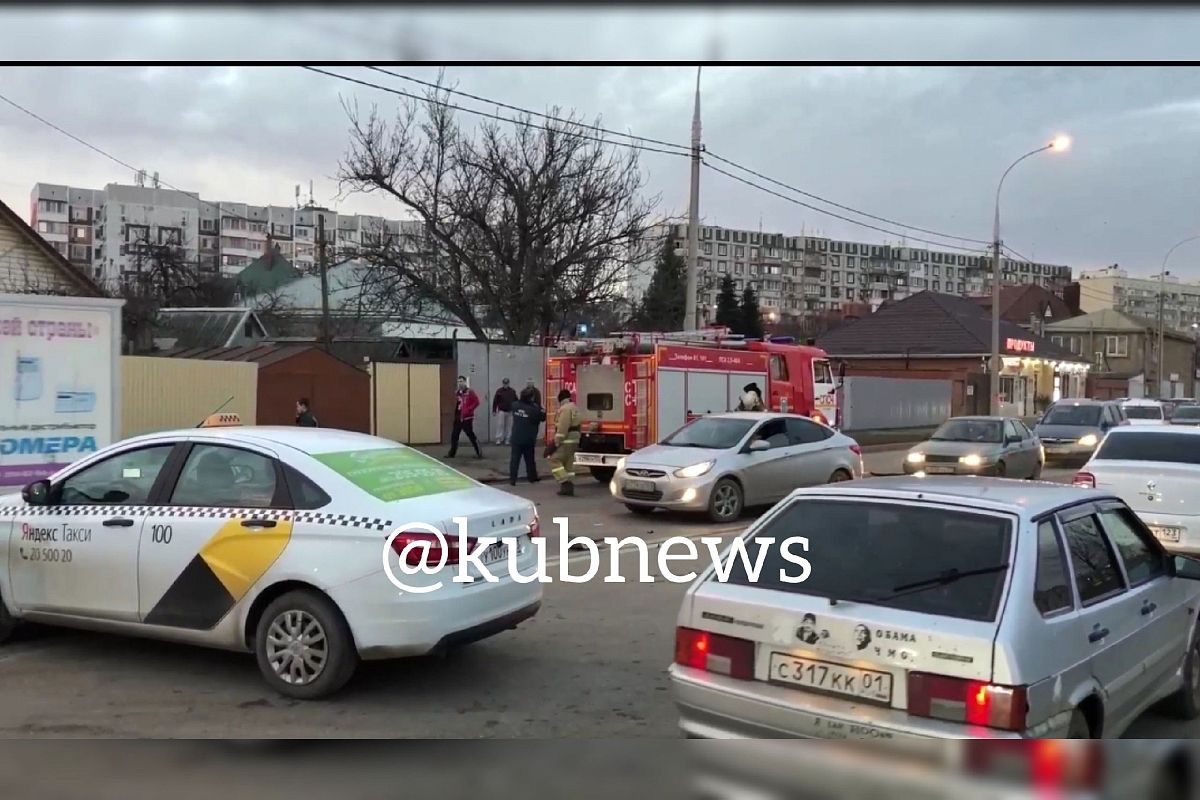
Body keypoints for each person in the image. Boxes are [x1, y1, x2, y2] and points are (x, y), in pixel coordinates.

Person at [545, 388, 582, 496]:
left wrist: (557, 441)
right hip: (574, 439)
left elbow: (563, 427)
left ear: (560, 399)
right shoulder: (575, 407)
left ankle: (565, 482)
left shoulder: (565, 409)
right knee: (567, 464)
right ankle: (567, 487)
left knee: (554, 459)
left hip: (566, 439)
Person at [508, 388, 545, 485]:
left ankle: (512, 479)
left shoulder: (515, 405)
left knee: (514, 460)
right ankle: (532, 477)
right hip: (528, 438)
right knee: (530, 460)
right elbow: (542, 418)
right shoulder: (534, 409)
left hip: (516, 437)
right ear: (531, 398)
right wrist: (542, 410)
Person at [446, 376, 482, 459]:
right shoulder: (458, 392)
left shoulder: (470, 392)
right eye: (459, 381)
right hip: (458, 417)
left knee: (471, 435)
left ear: (465, 382)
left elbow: (477, 402)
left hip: (467, 418)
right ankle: (452, 453)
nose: (460, 383)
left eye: (461, 381)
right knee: (454, 435)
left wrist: (469, 409)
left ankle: (479, 452)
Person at [492, 378, 518, 445]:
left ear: (508, 383)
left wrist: (516, 410)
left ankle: (507, 439)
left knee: (509, 426)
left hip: (510, 411)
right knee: (500, 425)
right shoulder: (499, 391)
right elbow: (495, 401)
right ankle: (499, 439)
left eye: (506, 383)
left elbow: (516, 401)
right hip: (501, 411)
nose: (505, 385)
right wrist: (494, 410)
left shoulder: (512, 391)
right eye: (504, 383)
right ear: (502, 383)